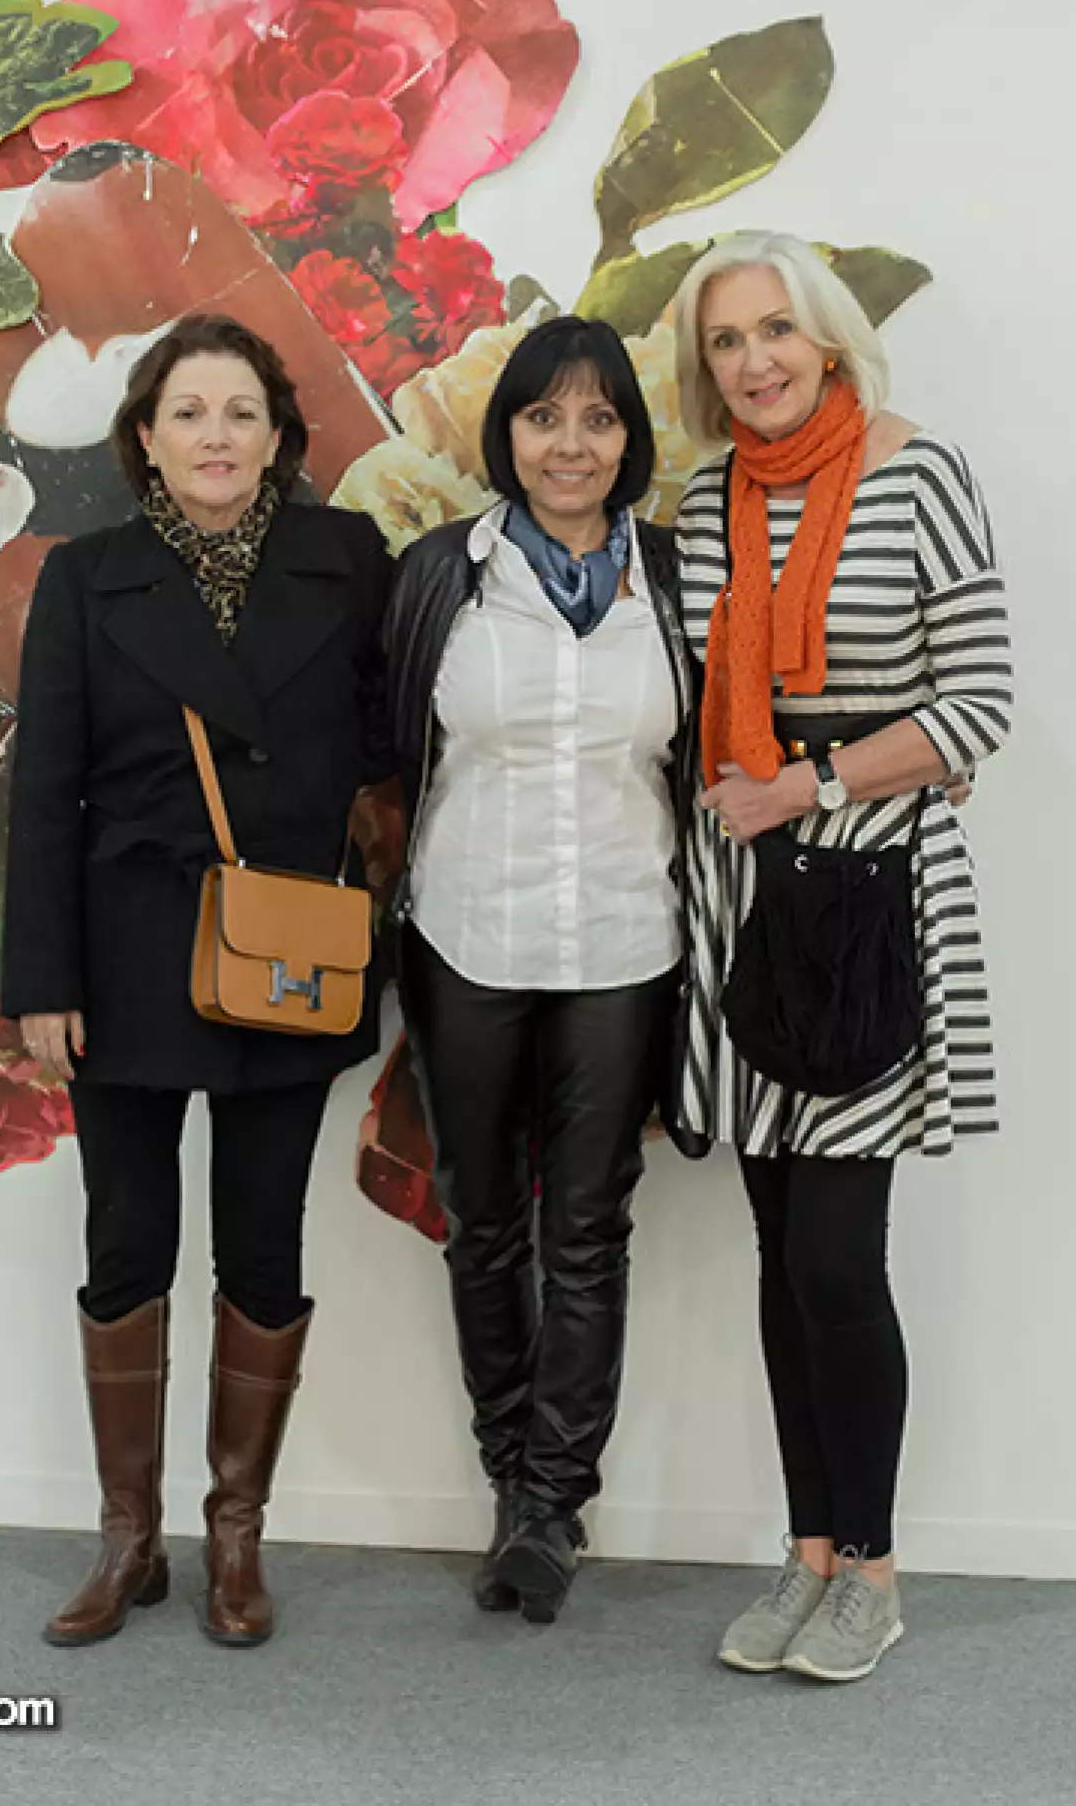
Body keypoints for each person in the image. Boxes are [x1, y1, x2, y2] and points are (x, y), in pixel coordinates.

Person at [0, 312, 390, 1651]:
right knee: (125, 1245)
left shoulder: (347, 561)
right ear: (146, 440)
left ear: (280, 436)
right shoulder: (86, 575)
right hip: (125, 955)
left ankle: (234, 1537)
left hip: (285, 948)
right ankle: (127, 1539)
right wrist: (41, 977)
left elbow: (392, 747)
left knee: (265, 1244)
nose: (215, 435)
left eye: (241, 411)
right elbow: (43, 789)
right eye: (188, 411)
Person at [667, 230, 1013, 1684]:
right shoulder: (703, 501)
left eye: (775, 330)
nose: (754, 360)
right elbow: (693, 690)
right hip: (743, 897)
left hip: (868, 890)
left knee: (835, 1250)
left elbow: (981, 701)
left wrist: (814, 783)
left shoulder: (919, 473)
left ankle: (872, 1565)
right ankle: (809, 1548)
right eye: (727, 340)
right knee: (774, 1250)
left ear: (827, 336)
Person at [385, 316, 696, 1626]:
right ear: (503, 432)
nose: (571, 444)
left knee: (589, 1227)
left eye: (599, 419)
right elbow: (388, 744)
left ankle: (554, 1503)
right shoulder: (437, 576)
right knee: (484, 1221)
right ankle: (513, 1473)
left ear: (629, 438)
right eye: (543, 417)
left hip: (626, 941)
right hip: (467, 934)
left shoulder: (676, 578)